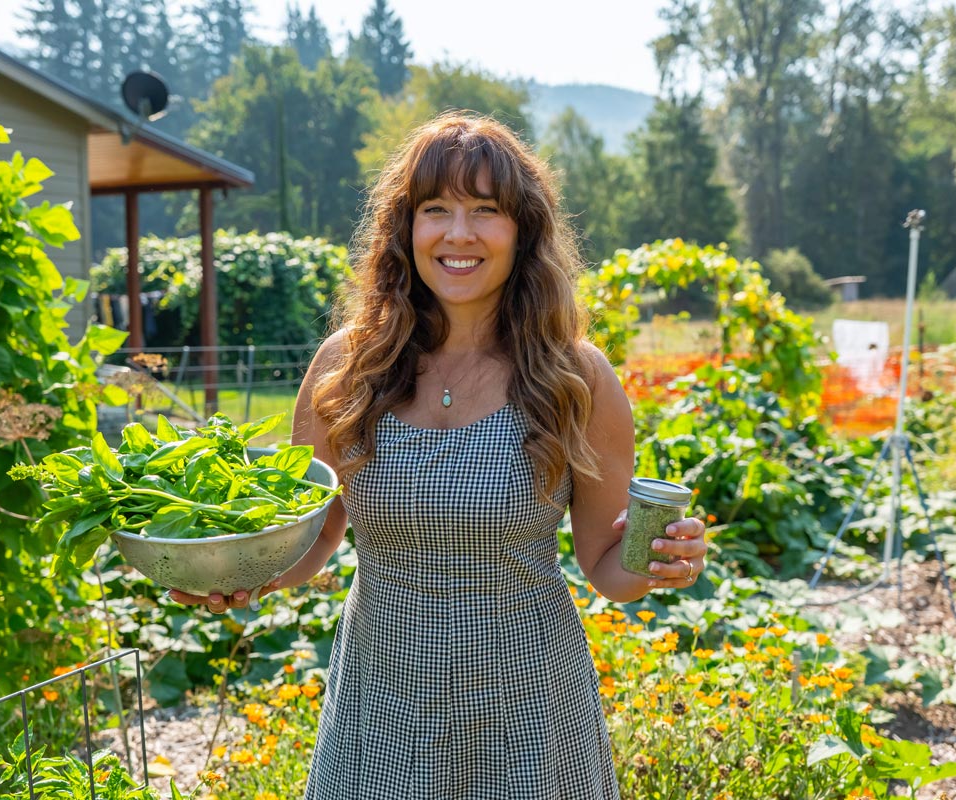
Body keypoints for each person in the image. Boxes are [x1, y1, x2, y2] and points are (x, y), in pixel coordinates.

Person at [172, 112, 708, 799]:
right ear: (407, 228)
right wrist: (245, 571)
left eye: (485, 210)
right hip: (384, 695)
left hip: (530, 707)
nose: (459, 234)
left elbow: (605, 567)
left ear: (523, 232)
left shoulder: (576, 376)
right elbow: (315, 532)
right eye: (437, 210)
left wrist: (659, 563)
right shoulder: (349, 367)